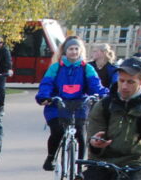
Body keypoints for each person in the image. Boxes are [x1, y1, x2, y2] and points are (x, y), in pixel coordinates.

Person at [35, 36, 109, 171]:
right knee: (57, 131)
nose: (74, 52)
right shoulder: (56, 68)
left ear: (81, 51)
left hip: (79, 104)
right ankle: (51, 157)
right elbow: (46, 84)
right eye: (71, 49)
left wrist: (105, 95)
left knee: (80, 133)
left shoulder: (87, 68)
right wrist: (45, 96)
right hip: (58, 104)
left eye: (76, 49)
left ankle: (79, 168)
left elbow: (95, 85)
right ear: (65, 51)